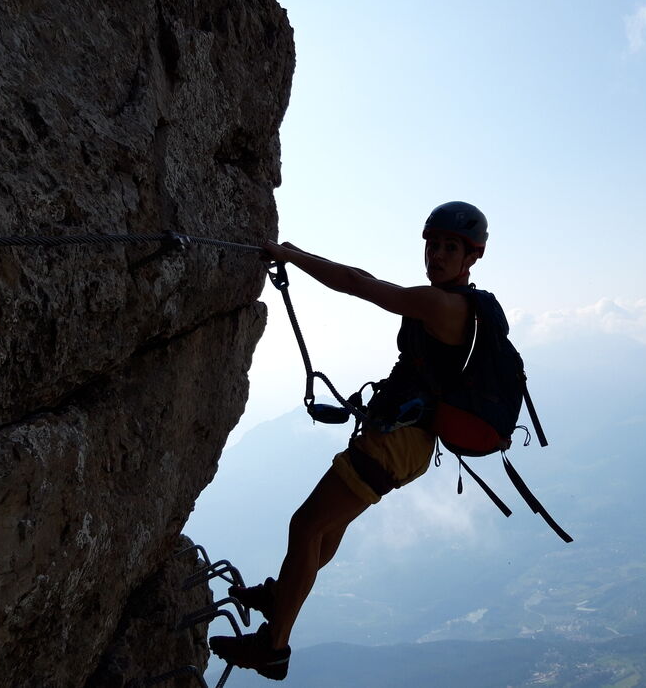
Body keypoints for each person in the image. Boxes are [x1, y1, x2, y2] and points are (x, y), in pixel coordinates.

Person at [209, 201, 489, 681]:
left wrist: (294, 256)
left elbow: (361, 284)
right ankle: (283, 597)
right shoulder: (452, 302)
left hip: (398, 443)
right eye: (433, 244)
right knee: (325, 532)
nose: (437, 255)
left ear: (471, 258)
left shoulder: (442, 304)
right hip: (403, 441)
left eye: (450, 248)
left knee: (304, 527)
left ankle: (273, 647)